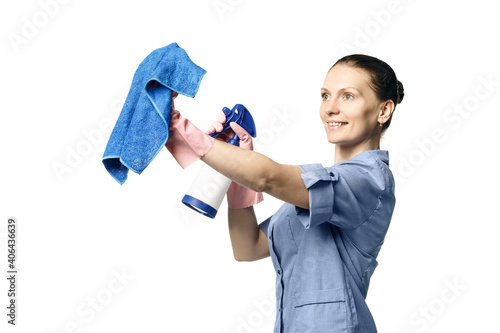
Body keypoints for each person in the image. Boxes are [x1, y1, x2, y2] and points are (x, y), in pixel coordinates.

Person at [165, 54, 404, 332]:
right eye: (326, 96)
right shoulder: (313, 195)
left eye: (348, 96)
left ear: (383, 110)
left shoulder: (369, 181)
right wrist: (236, 172)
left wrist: (181, 129)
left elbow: (267, 177)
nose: (330, 108)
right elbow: (247, 247)